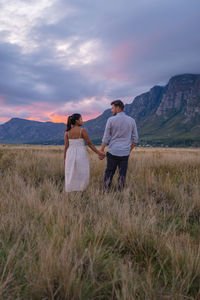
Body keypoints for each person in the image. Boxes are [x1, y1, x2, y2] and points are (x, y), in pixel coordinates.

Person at [100, 100, 138, 191]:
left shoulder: (111, 120)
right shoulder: (131, 120)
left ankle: (106, 191)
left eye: (112, 108)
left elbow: (106, 137)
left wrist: (101, 150)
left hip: (113, 151)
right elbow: (135, 138)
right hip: (125, 153)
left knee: (109, 172)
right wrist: (129, 150)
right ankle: (120, 193)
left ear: (118, 108)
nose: (111, 110)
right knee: (122, 174)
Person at [64, 113, 104, 192]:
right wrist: (98, 153)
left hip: (70, 154)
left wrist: (65, 158)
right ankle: (82, 189)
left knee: (71, 172)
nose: (82, 121)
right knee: (82, 171)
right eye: (81, 119)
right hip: (80, 153)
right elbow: (89, 143)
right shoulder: (82, 130)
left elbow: (66, 147)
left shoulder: (67, 132)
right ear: (76, 121)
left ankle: (71, 189)